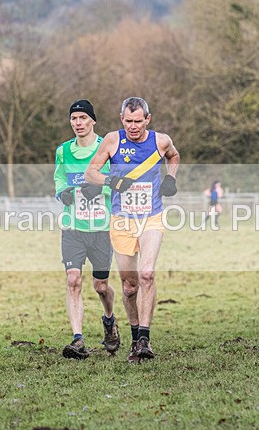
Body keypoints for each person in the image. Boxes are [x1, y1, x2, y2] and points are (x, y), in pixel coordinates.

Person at [83, 97, 180, 362]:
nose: (133, 127)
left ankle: (145, 340)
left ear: (148, 119)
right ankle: (135, 338)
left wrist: (170, 178)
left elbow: (173, 155)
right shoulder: (113, 141)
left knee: (147, 273)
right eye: (128, 121)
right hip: (122, 221)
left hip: (151, 218)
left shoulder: (160, 141)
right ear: (121, 119)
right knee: (129, 286)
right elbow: (90, 173)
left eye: (138, 121)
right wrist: (111, 181)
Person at [54, 99, 119, 360]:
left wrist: (101, 187)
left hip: (101, 228)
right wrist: (62, 193)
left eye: (83, 118)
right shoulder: (63, 151)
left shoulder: (107, 148)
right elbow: (59, 177)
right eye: (74, 119)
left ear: (93, 120)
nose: (78, 123)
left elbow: (119, 182)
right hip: (73, 227)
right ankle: (78, 339)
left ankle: (109, 320)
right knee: (73, 280)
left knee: (101, 286)